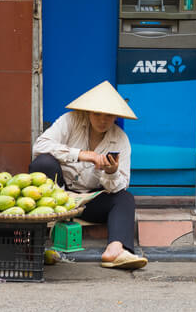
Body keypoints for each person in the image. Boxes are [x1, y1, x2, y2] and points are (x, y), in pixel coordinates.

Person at [30, 80, 147, 270]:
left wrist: (111, 172)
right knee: (43, 163)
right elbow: (39, 146)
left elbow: (122, 184)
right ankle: (35, 241)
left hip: (89, 200)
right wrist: (81, 155)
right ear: (88, 112)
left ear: (115, 117)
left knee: (125, 198)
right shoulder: (71, 120)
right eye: (97, 113)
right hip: (55, 197)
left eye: (108, 116)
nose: (102, 120)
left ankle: (115, 250)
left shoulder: (120, 140)